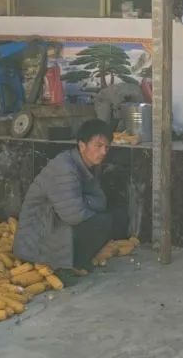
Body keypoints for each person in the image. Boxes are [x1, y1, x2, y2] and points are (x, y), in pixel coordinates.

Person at [13, 119, 127, 283]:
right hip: (38, 236)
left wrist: (82, 201)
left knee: (114, 216)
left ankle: (75, 260)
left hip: (58, 221)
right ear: (82, 145)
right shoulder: (65, 169)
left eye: (106, 147)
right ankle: (64, 265)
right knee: (102, 222)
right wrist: (85, 203)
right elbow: (74, 215)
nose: (103, 152)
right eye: (98, 146)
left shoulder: (86, 165)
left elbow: (100, 201)